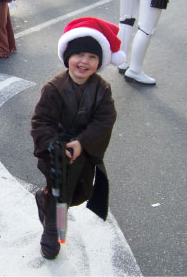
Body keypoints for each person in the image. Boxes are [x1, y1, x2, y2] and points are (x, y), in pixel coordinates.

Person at [31, 17, 124, 259]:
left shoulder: (102, 89)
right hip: (58, 154)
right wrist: (55, 145)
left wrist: (82, 142)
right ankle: (52, 235)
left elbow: (105, 119)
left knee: (80, 194)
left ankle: (43, 199)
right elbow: (41, 121)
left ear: (99, 62)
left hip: (83, 151)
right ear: (68, 57)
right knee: (60, 196)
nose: (84, 61)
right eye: (79, 54)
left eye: (92, 57)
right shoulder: (53, 88)